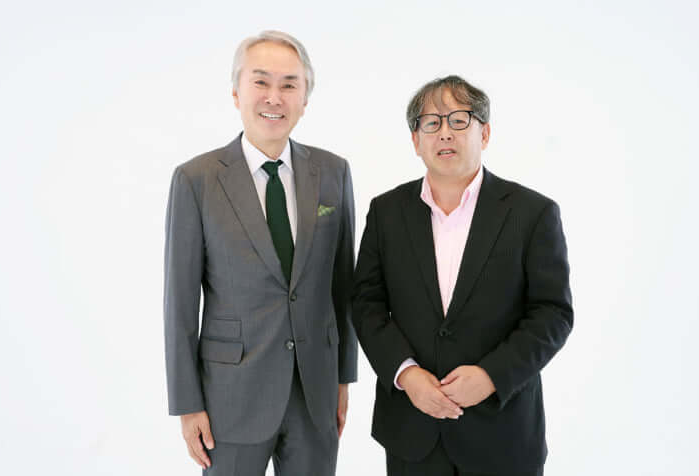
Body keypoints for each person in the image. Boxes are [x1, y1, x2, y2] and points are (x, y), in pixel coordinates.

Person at [351, 75, 572, 476]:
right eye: (431, 123)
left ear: (484, 133)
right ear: (416, 140)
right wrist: (406, 374)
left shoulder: (533, 213)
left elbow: (553, 313)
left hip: (502, 432)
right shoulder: (386, 212)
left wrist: (492, 376)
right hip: (413, 431)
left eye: (458, 120)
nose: (444, 133)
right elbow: (366, 304)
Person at [164, 30, 357, 476]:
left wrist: (343, 378)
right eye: (261, 81)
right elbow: (179, 303)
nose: (275, 96)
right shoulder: (196, 179)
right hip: (230, 397)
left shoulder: (333, 172)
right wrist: (187, 404)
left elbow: (343, 286)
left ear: (305, 98)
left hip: (315, 392)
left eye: (289, 84)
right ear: (236, 92)